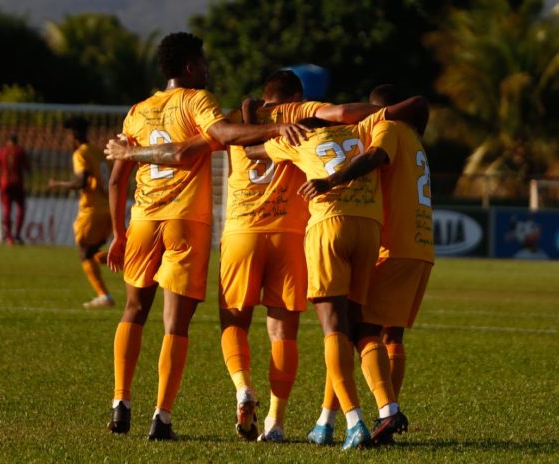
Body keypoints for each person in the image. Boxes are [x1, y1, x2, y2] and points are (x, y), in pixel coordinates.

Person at [104, 32, 309, 441]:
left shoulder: (137, 111)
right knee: (175, 325)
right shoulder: (198, 101)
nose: (208, 69)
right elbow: (223, 137)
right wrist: (271, 131)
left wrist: (118, 233)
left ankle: (120, 402)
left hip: (142, 217)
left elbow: (115, 180)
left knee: (132, 311)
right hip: (185, 221)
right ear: (188, 68)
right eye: (203, 62)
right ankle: (161, 416)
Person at [244, 96, 425, 449]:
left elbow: (252, 150)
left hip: (330, 226)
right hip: (369, 231)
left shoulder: (300, 140)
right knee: (358, 327)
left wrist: (253, 112)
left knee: (333, 328)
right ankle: (359, 414)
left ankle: (354, 421)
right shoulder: (362, 131)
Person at [299, 85, 433, 445]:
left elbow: (375, 156)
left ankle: (387, 411)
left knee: (355, 331)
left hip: (394, 244)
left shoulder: (387, 128)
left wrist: (331, 180)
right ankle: (359, 417)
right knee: (389, 334)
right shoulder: (415, 139)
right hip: (421, 246)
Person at [48, 116, 115, 309]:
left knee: (84, 251)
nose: (67, 140)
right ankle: (124, 264)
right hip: (108, 208)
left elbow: (82, 181)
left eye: (67, 135)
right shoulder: (99, 153)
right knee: (93, 252)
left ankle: (104, 295)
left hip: (92, 209)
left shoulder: (80, 154)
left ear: (73, 134)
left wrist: (58, 184)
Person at [0, 134, 30, 245]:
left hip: (5, 183)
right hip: (18, 183)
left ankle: (9, 237)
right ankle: (17, 234)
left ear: (8, 141)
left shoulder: (2, 151)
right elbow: (28, 167)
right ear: (16, 141)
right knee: (21, 208)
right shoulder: (20, 151)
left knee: (7, 209)